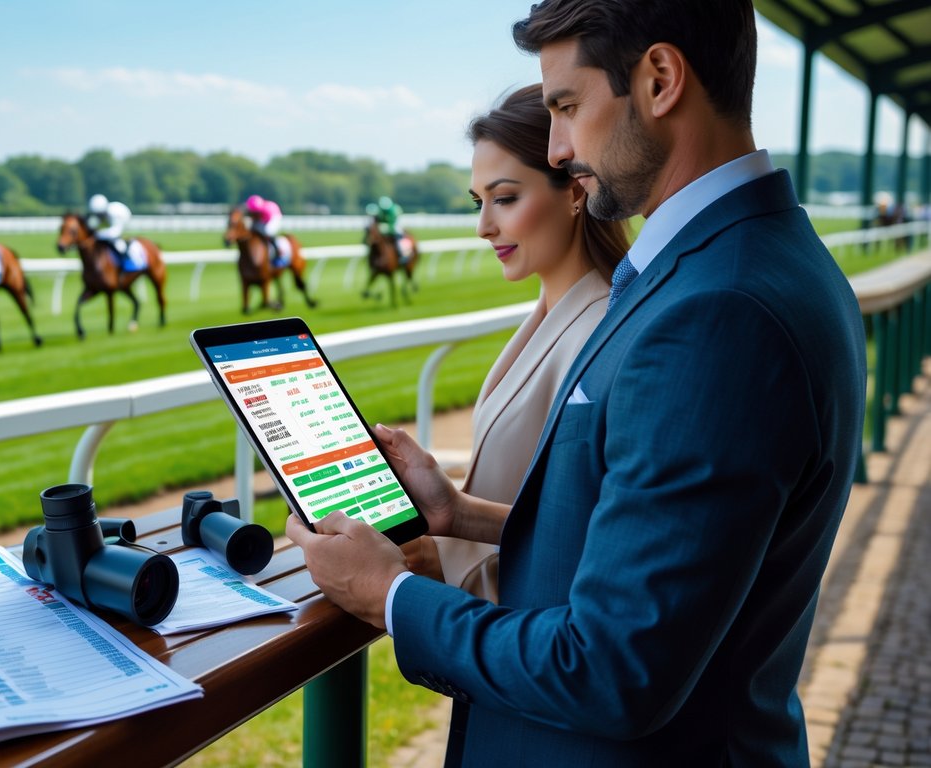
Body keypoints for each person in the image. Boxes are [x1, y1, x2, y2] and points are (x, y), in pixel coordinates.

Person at [286, 1, 867, 765]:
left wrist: (388, 596)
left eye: (565, 105)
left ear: (659, 79)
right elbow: (644, 532)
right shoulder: (741, 258)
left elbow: (611, 669)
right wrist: (459, 513)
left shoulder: (717, 309)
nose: (557, 148)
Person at [406, 83, 628, 601]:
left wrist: (448, 547)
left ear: (575, 190)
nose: (484, 226)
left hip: (531, 638)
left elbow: (593, 538)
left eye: (505, 199)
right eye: (479, 202)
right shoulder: (554, 312)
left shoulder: (601, 330)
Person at [86, 193, 133, 267]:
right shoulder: (103, 211)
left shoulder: (114, 213)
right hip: (112, 224)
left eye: (99, 214)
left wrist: (98, 234)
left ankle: (126, 260)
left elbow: (115, 232)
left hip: (124, 222)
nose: (98, 217)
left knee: (118, 244)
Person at [243, 194, 286, 266]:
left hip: (274, 217)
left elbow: (261, 223)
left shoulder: (265, 210)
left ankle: (278, 249)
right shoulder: (254, 207)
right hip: (265, 218)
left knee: (268, 231)